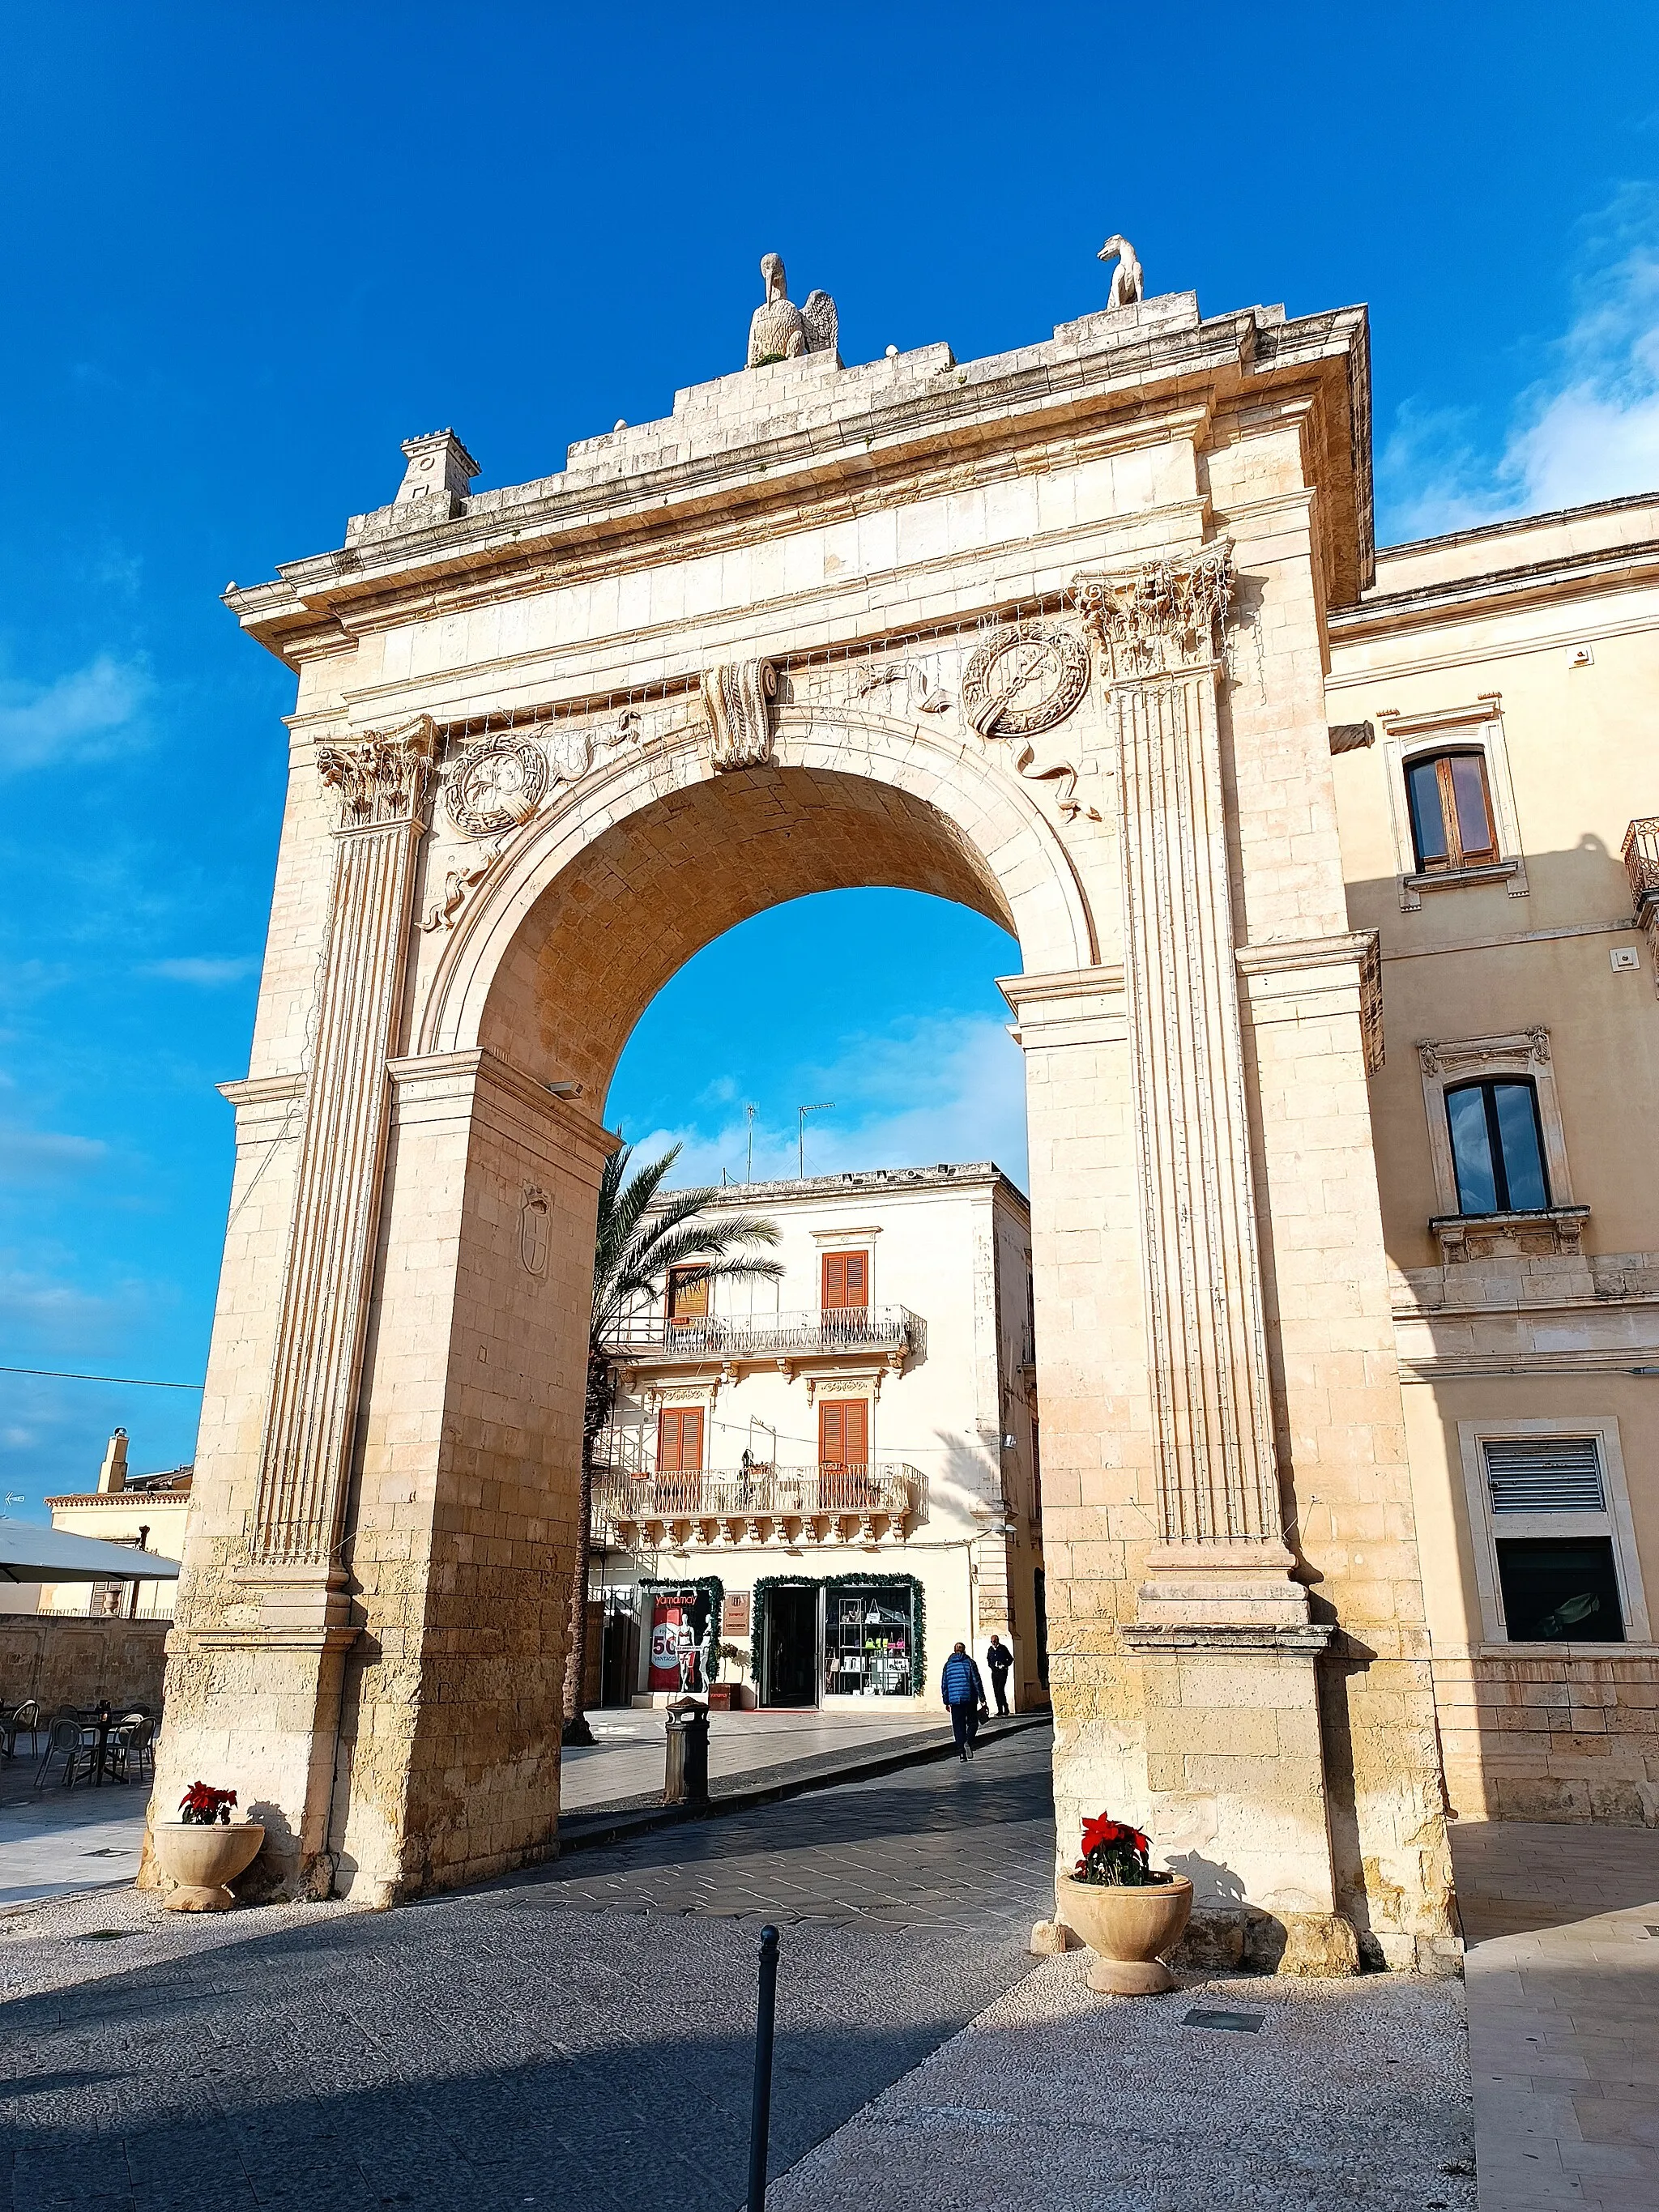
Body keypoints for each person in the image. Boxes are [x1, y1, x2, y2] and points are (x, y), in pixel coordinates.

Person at [940, 1640, 987, 1761]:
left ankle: (962, 1753)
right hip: (969, 1698)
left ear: (954, 1651)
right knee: (973, 1723)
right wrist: (982, 1698)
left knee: (958, 1726)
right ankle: (968, 1742)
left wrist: (946, 1701)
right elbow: (977, 1681)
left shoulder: (948, 1665)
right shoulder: (970, 1663)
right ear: (964, 1650)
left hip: (955, 1700)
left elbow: (944, 1684)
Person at [984, 1634, 1013, 1716]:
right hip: (994, 1673)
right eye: (992, 1641)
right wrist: (992, 1666)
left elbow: (1010, 1659)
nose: (993, 1643)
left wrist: (1004, 1665)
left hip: (1002, 1672)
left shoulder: (1003, 1648)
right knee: (996, 1691)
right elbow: (988, 1659)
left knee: (1001, 1690)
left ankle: (1006, 1708)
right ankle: (1000, 1709)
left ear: (998, 1641)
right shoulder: (990, 1649)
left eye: (995, 1641)